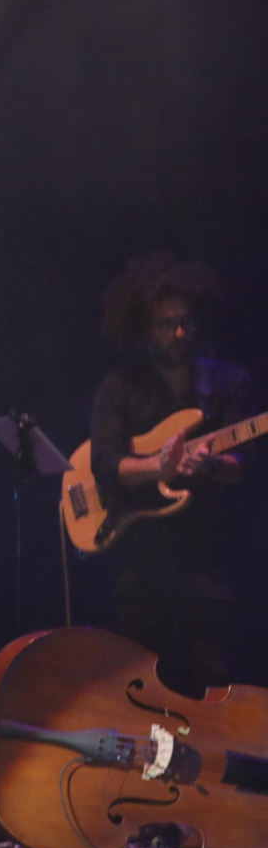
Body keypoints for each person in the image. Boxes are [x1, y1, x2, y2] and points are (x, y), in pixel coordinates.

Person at [90, 254, 255, 698]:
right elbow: (105, 465)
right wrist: (158, 468)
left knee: (214, 682)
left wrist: (214, 465)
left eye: (186, 322)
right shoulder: (121, 386)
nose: (180, 334)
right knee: (140, 681)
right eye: (166, 325)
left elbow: (245, 464)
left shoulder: (227, 382)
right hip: (142, 562)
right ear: (144, 327)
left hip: (209, 559)